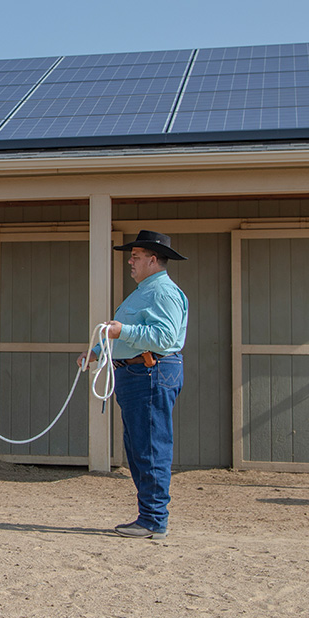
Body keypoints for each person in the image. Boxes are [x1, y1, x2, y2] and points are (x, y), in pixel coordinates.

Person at [80, 230, 188, 539]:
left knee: (150, 446)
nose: (131, 261)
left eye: (136, 257)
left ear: (153, 260)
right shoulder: (146, 291)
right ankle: (150, 516)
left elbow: (164, 338)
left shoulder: (161, 292)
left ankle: (154, 519)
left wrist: (122, 330)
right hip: (139, 373)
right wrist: (98, 352)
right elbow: (131, 335)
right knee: (141, 445)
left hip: (150, 373)